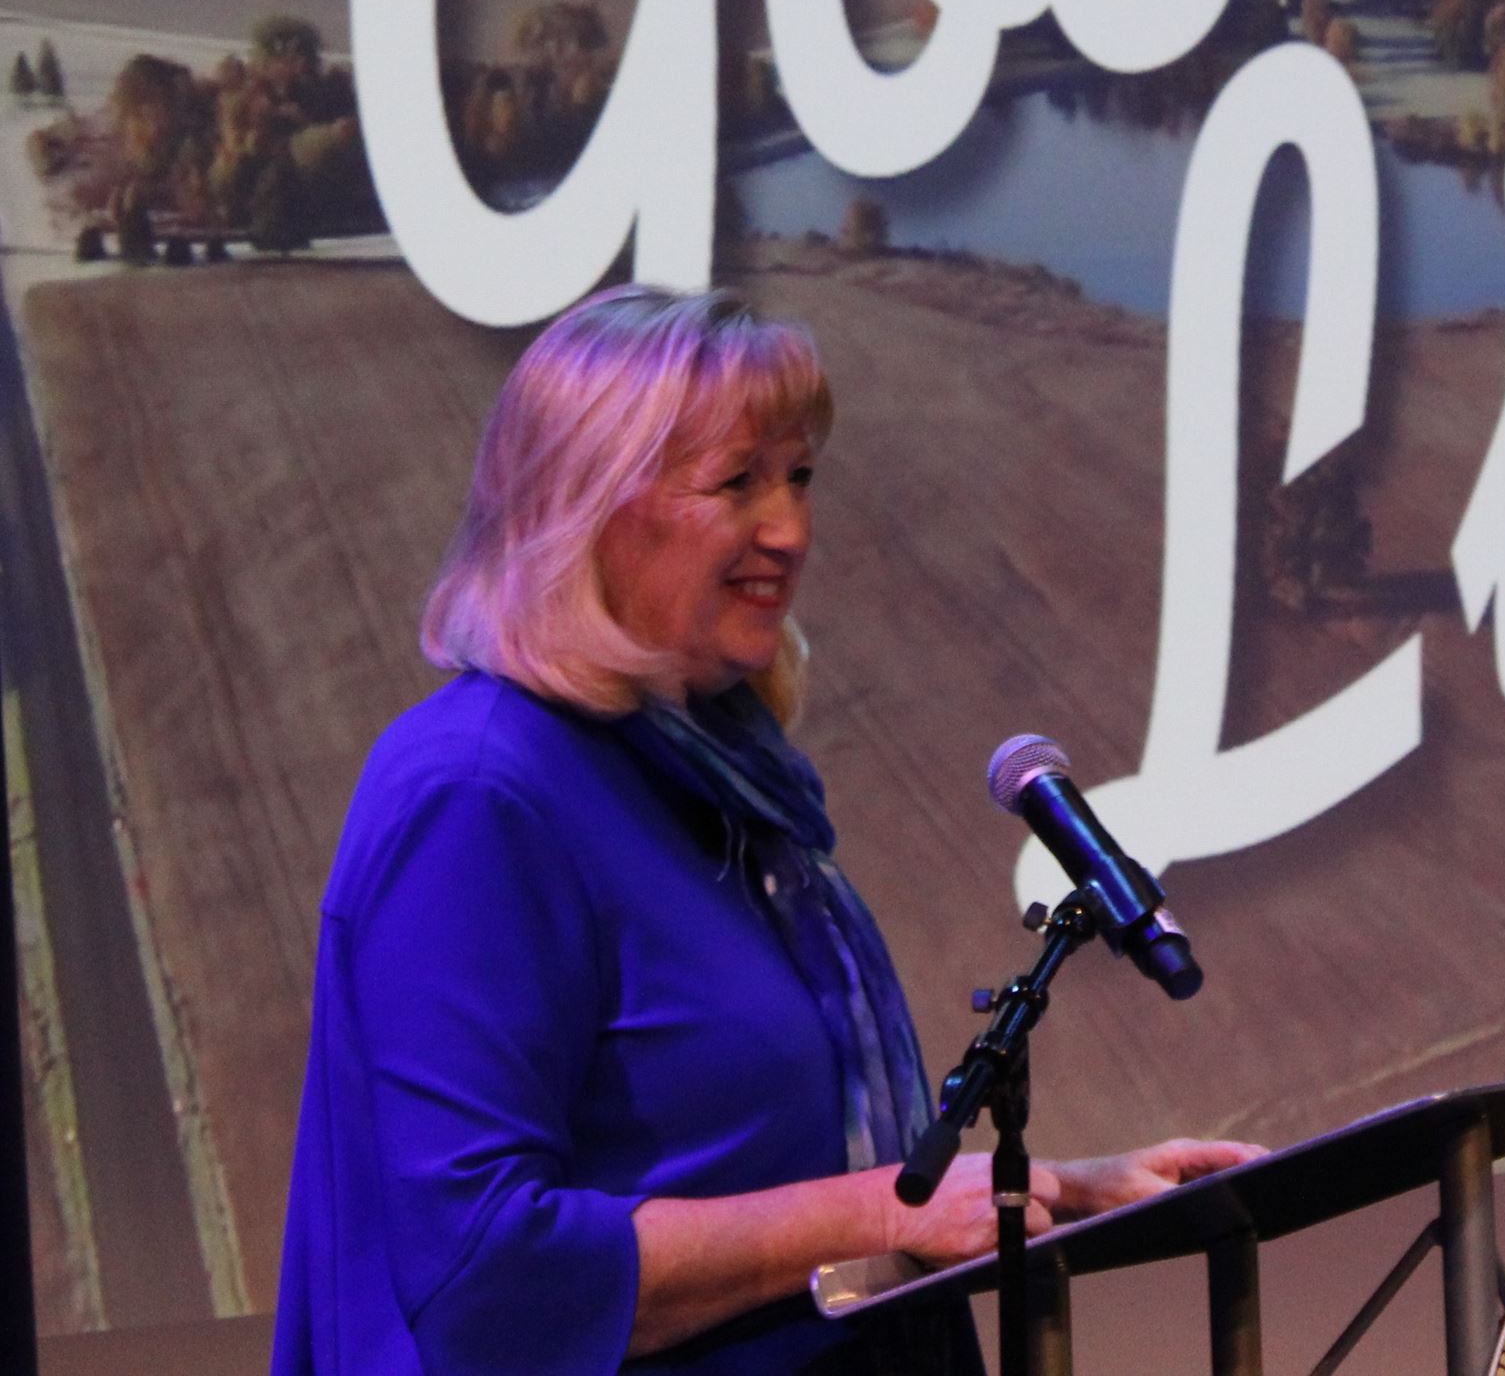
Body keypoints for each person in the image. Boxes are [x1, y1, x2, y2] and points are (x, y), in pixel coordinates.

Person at [272, 283, 1257, 1376]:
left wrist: (1053, 1193)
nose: (789, 530)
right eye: (737, 481)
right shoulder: (477, 793)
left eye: (799, 476)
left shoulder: (712, 780)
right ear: (586, 507)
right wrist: (881, 1211)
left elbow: (754, 1174)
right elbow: (485, 1276)